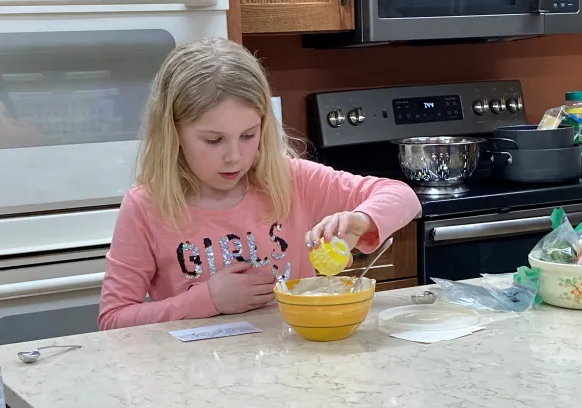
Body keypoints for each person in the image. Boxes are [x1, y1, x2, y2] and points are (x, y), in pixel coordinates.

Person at [97, 37, 421, 330]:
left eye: (248, 136)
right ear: (173, 133)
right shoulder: (146, 206)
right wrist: (207, 301)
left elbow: (402, 196)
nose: (234, 157)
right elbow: (113, 320)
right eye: (213, 140)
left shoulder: (291, 179)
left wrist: (360, 219)